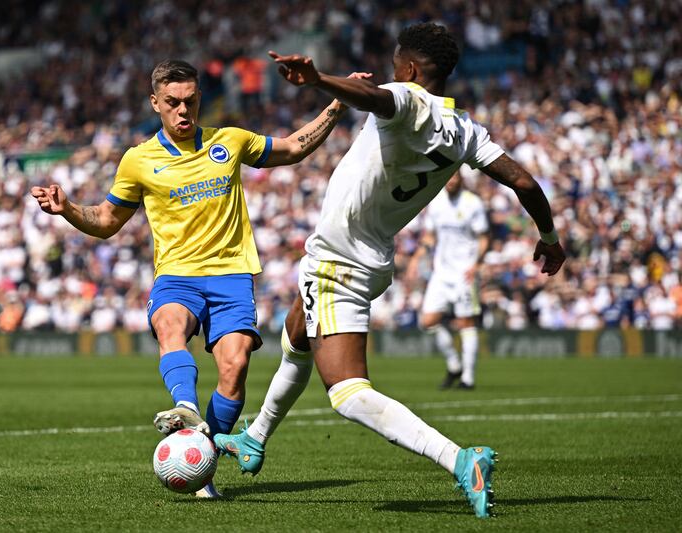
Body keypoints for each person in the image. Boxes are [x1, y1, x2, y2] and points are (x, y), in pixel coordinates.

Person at [214, 23, 566, 518]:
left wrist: (320, 79)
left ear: (413, 70)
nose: (392, 73)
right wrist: (550, 238)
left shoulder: (408, 98)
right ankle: (254, 437)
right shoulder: (465, 129)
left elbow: (375, 98)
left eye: (397, 65)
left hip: (340, 259)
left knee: (347, 393)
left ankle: (460, 460)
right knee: (297, 332)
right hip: (370, 254)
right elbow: (525, 182)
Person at [31, 59, 350, 498]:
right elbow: (106, 220)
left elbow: (295, 147)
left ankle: (204, 465)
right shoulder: (139, 160)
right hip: (177, 276)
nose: (184, 111)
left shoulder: (230, 141)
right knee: (170, 326)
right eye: (173, 103)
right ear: (155, 103)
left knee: (235, 368)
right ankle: (185, 404)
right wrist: (66, 209)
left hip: (231, 276)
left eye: (191, 101)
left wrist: (338, 103)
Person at [407, 172, 490, 390]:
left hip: (464, 273)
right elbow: (430, 236)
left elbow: (483, 238)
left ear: (461, 179)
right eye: (448, 178)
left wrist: (477, 264)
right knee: (427, 322)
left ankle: (468, 378)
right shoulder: (436, 202)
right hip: (441, 273)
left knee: (466, 323)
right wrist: (417, 258)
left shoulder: (473, 203)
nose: (451, 181)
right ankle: (454, 365)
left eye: (455, 178)